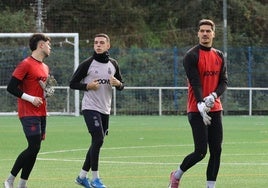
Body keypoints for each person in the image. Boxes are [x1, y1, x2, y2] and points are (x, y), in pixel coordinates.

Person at [168, 19, 228, 188]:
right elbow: (195, 82)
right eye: (202, 31)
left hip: (215, 108)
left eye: (208, 31)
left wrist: (214, 95)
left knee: (216, 150)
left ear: (213, 34)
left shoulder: (219, 55)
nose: (205, 34)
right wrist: (201, 103)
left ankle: (210, 186)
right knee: (201, 152)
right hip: (196, 109)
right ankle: (176, 175)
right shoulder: (191, 56)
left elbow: (224, 81)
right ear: (198, 33)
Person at [69, 33, 124, 188]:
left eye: (101, 43)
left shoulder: (113, 64)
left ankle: (81, 177)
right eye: (95, 43)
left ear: (108, 45)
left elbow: (121, 85)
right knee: (98, 139)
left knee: (97, 142)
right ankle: (96, 179)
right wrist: (87, 86)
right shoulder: (88, 64)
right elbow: (72, 83)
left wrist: (118, 84)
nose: (98, 45)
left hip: (105, 110)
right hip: (90, 107)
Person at [4, 33, 53, 188]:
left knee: (35, 149)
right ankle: (10, 179)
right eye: (48, 44)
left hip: (42, 113)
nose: (50, 47)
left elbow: (41, 90)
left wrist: (47, 92)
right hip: (28, 112)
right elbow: (11, 87)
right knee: (34, 147)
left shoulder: (45, 67)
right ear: (41, 45)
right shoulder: (25, 64)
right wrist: (31, 98)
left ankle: (22, 184)